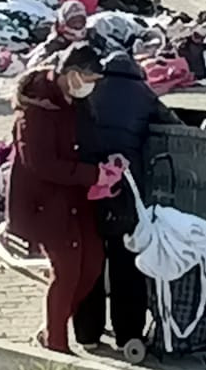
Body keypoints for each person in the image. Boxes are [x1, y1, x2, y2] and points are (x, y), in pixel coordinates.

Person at [75, 51, 183, 352]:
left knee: (91, 262)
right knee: (128, 264)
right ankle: (129, 335)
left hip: (90, 186)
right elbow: (174, 125)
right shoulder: (143, 94)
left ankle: (87, 334)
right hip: (127, 191)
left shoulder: (92, 89)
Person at [8, 43, 111, 355]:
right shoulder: (35, 111)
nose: (92, 86)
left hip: (78, 199)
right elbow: (40, 164)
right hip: (46, 203)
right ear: (72, 75)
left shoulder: (75, 104)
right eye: (89, 79)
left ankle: (51, 328)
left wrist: (106, 167)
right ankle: (56, 342)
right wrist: (91, 174)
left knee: (92, 264)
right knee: (65, 271)